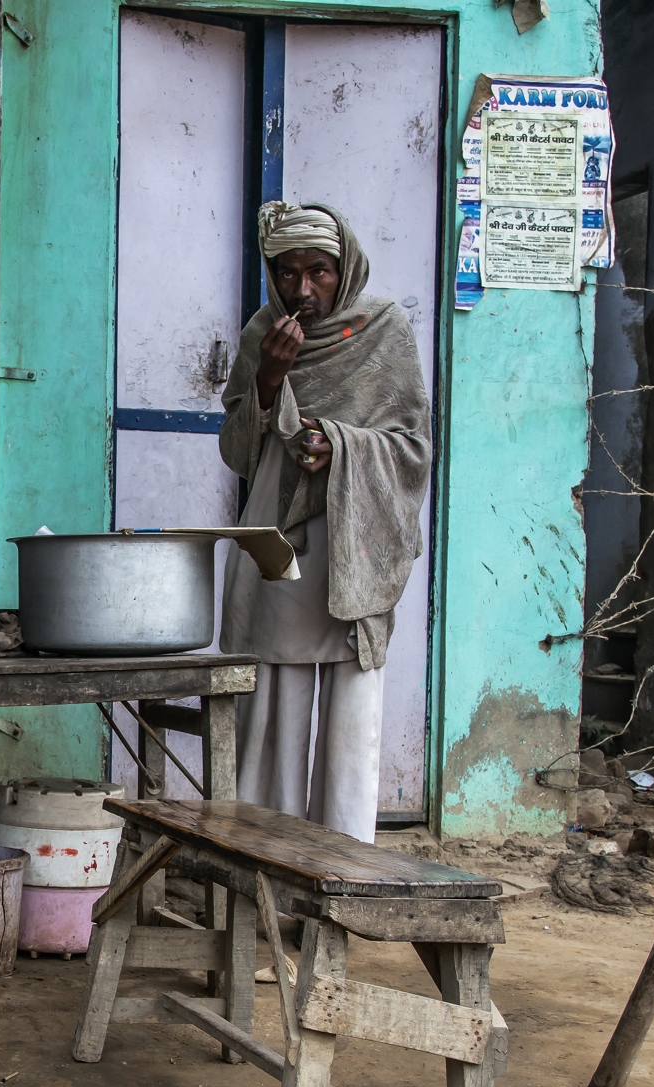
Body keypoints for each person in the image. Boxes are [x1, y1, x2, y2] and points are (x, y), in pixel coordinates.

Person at [217, 202, 431, 843]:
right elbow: (237, 449)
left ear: (346, 268)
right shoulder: (263, 335)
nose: (301, 290)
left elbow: (413, 447)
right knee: (271, 710)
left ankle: (342, 869)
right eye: (286, 273)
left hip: (352, 546)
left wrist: (342, 447)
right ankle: (265, 864)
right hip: (279, 543)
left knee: (349, 724)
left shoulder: (384, 330)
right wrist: (269, 378)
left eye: (319, 272)